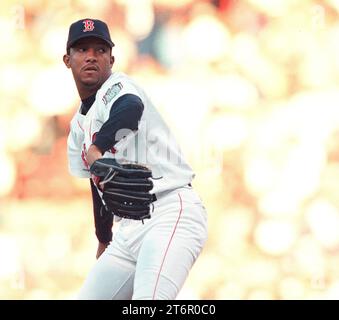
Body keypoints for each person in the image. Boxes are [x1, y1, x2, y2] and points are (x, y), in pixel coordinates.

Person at [63, 18, 208, 300]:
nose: (91, 56)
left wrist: (97, 149)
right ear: (68, 60)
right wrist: (104, 237)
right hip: (128, 231)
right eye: (82, 49)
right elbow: (97, 183)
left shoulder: (118, 88)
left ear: (112, 59)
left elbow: (130, 110)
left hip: (169, 212)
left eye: (100, 50)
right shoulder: (77, 127)